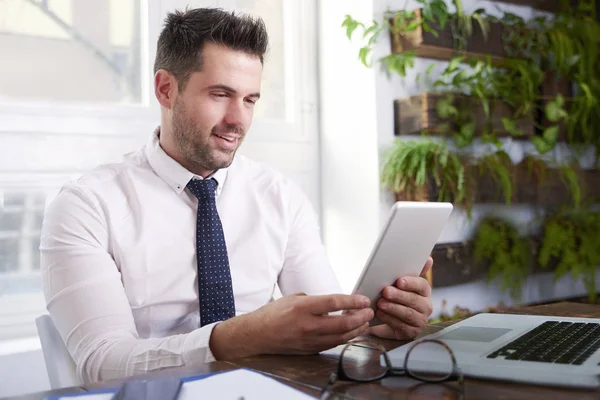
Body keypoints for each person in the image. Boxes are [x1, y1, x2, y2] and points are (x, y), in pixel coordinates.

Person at [40, 7, 434, 385]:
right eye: (220, 94)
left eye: (250, 100)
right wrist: (237, 337)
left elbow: (329, 322)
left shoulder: (279, 196)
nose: (238, 120)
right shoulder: (86, 207)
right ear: (165, 89)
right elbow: (102, 363)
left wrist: (378, 326)